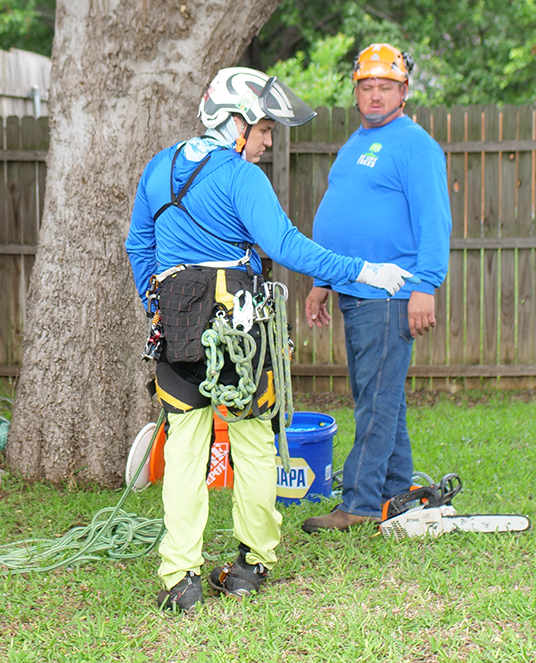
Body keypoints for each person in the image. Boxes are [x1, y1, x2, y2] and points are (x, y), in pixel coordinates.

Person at [125, 66, 412, 614]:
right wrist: (365, 272)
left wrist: (154, 304)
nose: (268, 140)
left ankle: (179, 578)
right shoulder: (240, 177)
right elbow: (288, 245)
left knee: (185, 446)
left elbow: (139, 244)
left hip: (178, 319)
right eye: (263, 129)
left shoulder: (159, 167)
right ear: (235, 123)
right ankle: (251, 565)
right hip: (238, 317)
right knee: (254, 439)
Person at [299, 42, 452, 533]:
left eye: (385, 87)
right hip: (353, 289)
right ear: (357, 91)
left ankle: (359, 504)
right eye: (367, 86)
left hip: (391, 295)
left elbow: (435, 220)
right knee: (382, 394)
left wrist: (426, 285)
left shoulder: (416, 145)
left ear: (404, 91)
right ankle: (394, 490)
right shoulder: (354, 144)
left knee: (376, 400)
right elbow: (340, 217)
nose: (375, 95)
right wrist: (323, 280)